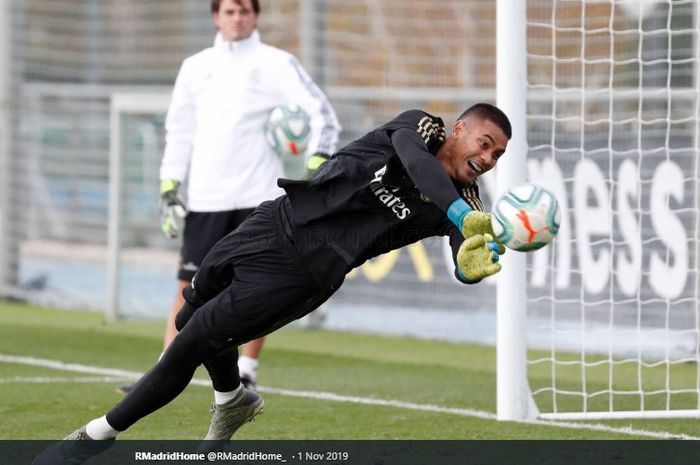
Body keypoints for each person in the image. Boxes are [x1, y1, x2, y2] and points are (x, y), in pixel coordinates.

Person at [36, 103, 510, 463]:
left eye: (497, 154)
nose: (487, 158)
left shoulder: (470, 205)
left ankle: (93, 437)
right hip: (276, 220)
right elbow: (418, 164)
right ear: (460, 129)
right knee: (190, 309)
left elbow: (463, 261)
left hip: (304, 272)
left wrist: (472, 264)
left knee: (193, 338)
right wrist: (460, 215)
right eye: (484, 142)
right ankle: (231, 399)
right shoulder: (422, 128)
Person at [117, 0, 341, 394]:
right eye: (229, 11)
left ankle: (248, 368)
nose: (237, 18)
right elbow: (180, 128)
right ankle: (163, 370)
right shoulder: (196, 66)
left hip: (260, 196)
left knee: (261, 286)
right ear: (215, 16)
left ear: (255, 15)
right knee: (189, 285)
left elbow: (322, 112)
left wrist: (316, 163)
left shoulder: (277, 63)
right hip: (206, 196)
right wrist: (170, 185)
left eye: (244, 11)